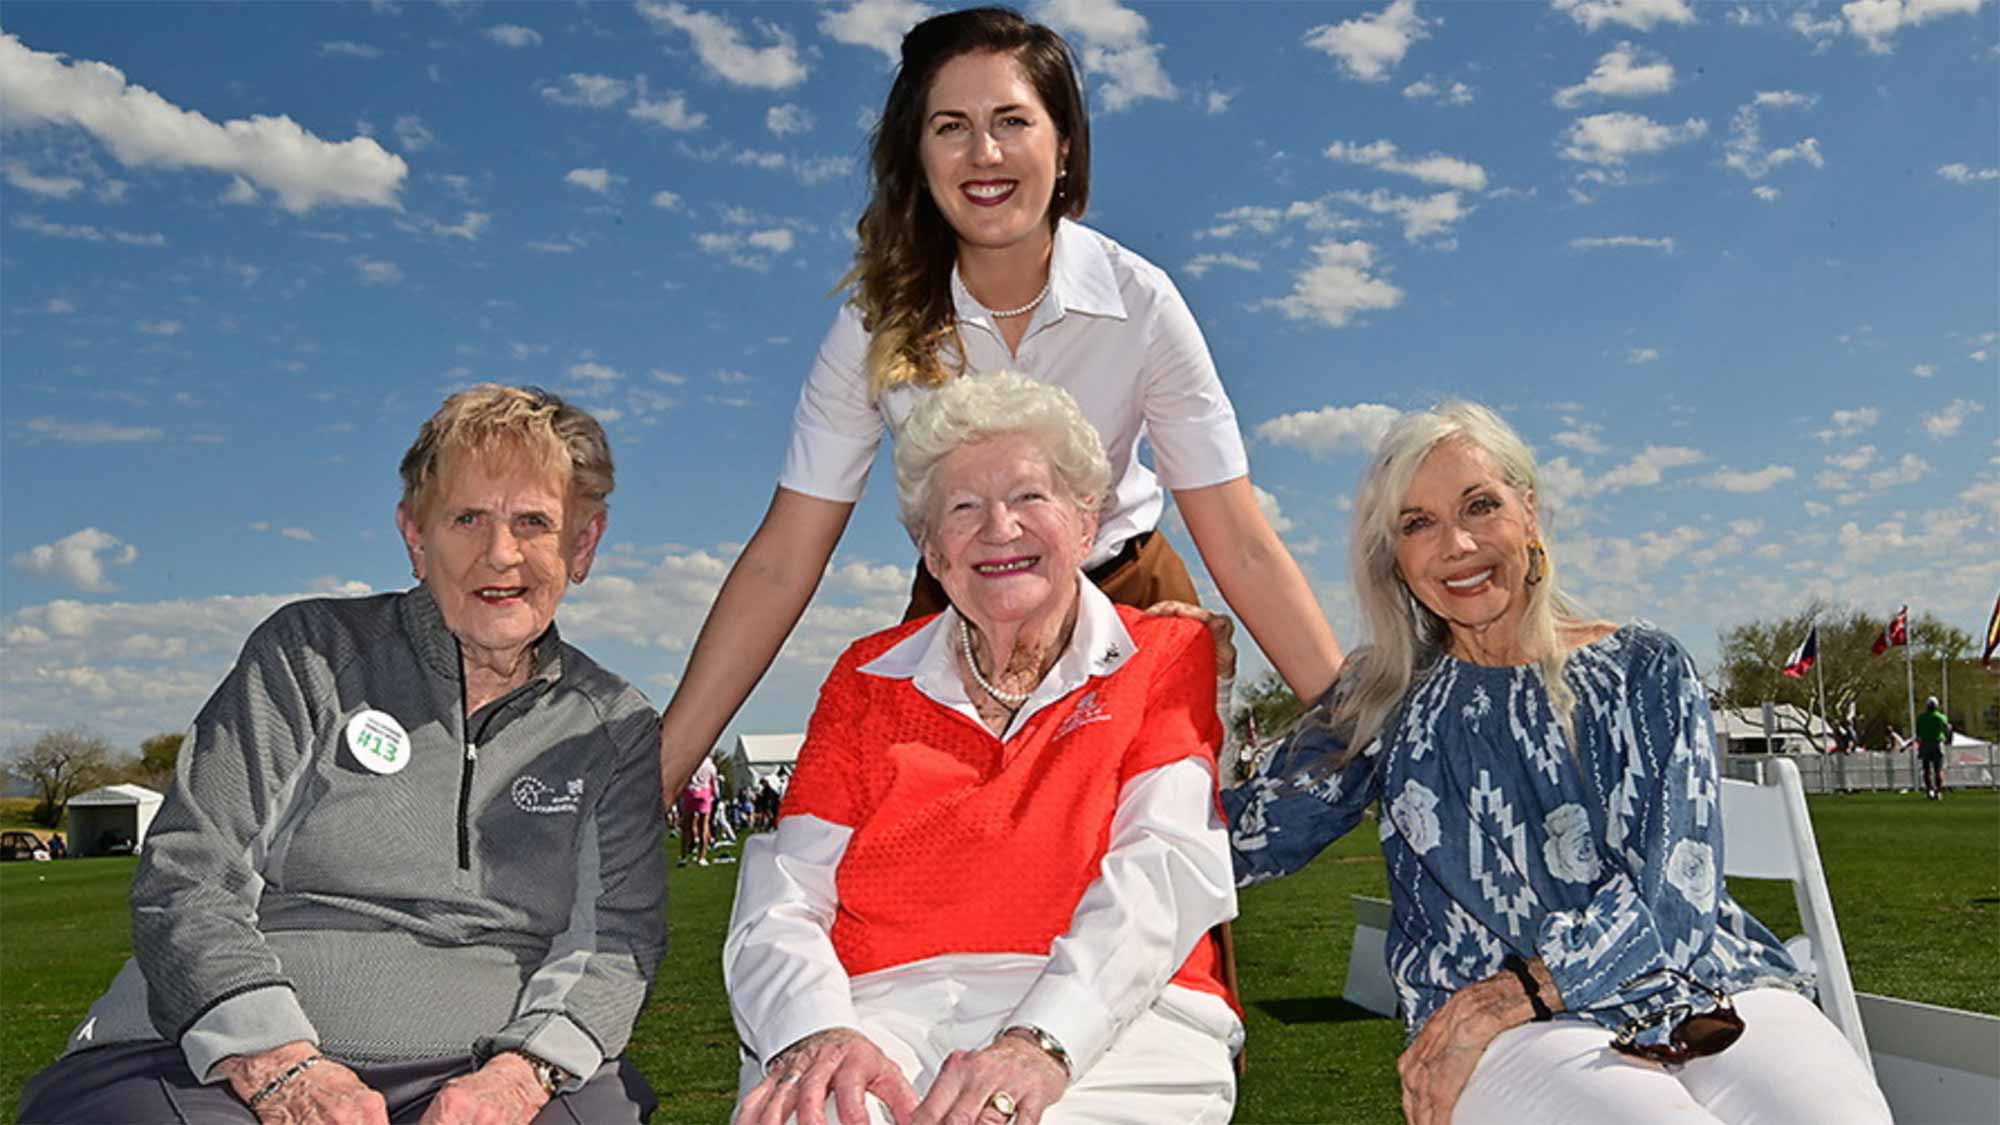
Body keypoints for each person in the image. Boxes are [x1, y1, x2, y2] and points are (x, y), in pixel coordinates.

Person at [654, 4, 1341, 801]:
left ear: (1065, 145)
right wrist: (662, 775)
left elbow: (1242, 543)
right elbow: (783, 558)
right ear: (916, 153)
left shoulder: (1142, 301)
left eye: (1013, 120)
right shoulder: (875, 324)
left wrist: (1362, 735)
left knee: (1157, 880)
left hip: (1128, 605)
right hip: (959, 614)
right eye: (950, 125)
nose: (984, 153)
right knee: (944, 897)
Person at [1225, 402, 1891, 1125]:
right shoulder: (1382, 695)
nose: (1456, 543)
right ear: (1393, 554)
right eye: (1418, 523)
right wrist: (1196, 689)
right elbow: (1242, 840)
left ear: (1530, 511)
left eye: (1480, 505)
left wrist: (1518, 990)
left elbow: (1677, 896)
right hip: (1513, 1034)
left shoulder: (1645, 669)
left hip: (1701, 980)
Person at [19, 386, 667, 1125]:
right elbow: (188, 872)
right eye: (467, 518)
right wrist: (280, 1065)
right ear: (415, 538)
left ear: (582, 545)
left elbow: (617, 939)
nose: (500, 553)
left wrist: (518, 1077)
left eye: (533, 522)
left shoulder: (614, 723)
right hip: (215, 1060)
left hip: (491, 1068)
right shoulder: (310, 653)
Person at [724, 373, 1241, 1125]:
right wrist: (818, 1030)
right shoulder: (866, 677)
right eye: (964, 507)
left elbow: (1164, 868)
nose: (999, 527)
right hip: (881, 1011)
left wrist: (1042, 1040)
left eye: (1031, 497)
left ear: (1086, 521)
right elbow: (786, 892)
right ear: (931, 550)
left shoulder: (1163, 653)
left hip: (1121, 1016)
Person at [680, 753, 720, 866]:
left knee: (687, 825)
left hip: (690, 792)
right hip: (705, 793)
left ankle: (683, 856)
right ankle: (701, 857)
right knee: (704, 825)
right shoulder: (710, 765)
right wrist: (716, 796)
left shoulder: (689, 762)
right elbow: (714, 782)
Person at [1916, 695, 1951, 800]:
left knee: (1926, 770)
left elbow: (1918, 732)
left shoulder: (1921, 718)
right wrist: (1946, 739)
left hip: (1925, 744)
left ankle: (1929, 790)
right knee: (1938, 769)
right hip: (1937, 743)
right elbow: (1947, 730)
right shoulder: (1941, 717)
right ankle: (1938, 791)